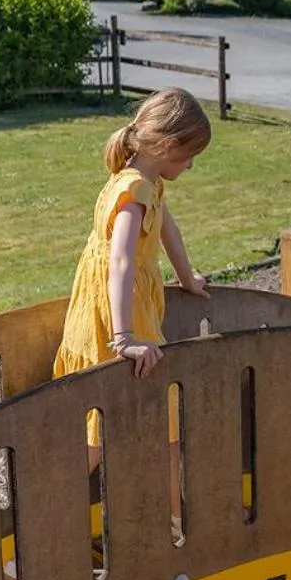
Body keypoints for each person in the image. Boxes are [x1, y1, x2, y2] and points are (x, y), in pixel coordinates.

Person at [54, 87, 213, 383]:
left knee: (143, 374)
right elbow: (120, 262)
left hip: (130, 297)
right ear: (168, 146)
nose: (191, 165)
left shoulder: (149, 184)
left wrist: (188, 279)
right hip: (118, 305)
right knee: (122, 377)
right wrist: (124, 338)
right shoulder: (134, 192)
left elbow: (169, 231)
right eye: (189, 156)